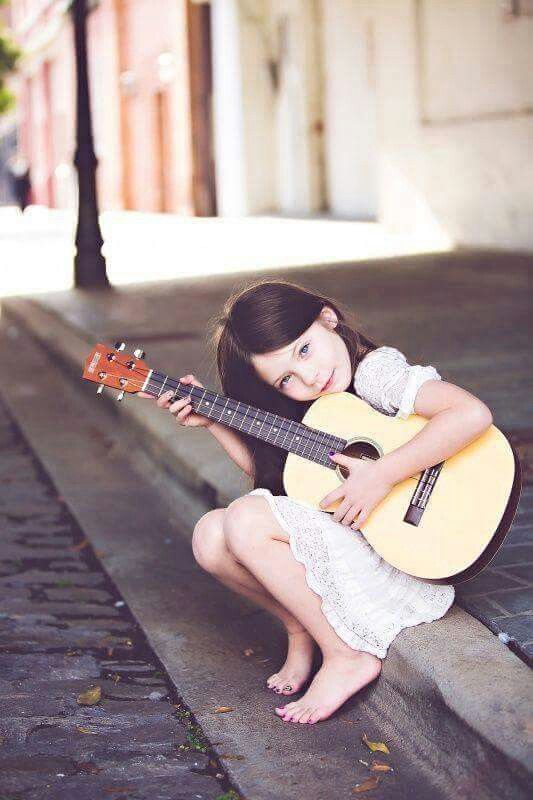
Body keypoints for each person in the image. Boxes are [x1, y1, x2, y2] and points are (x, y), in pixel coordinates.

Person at [138, 278, 493, 725]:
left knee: (247, 518)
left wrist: (381, 474)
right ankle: (298, 623)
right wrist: (213, 422)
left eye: (304, 350)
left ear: (328, 318)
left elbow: (471, 414)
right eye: (285, 378)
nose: (308, 377)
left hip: (410, 544)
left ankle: (346, 655)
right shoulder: (319, 404)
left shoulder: (375, 373)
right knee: (210, 536)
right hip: (369, 537)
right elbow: (277, 478)